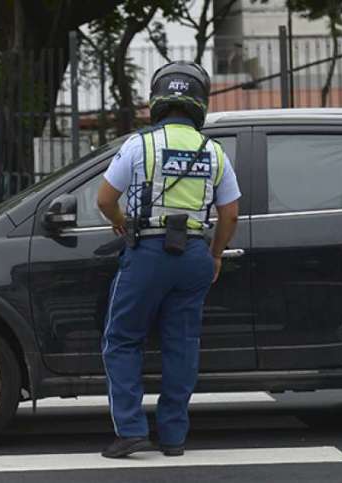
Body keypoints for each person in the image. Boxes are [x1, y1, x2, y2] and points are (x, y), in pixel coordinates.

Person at [96, 61, 241, 459]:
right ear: (199, 102)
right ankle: (173, 437)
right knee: (182, 344)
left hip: (148, 253)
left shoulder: (139, 145)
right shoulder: (213, 151)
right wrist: (215, 256)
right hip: (193, 253)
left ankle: (130, 430)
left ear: (157, 100)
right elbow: (230, 214)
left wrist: (123, 226)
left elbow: (105, 199)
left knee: (122, 340)